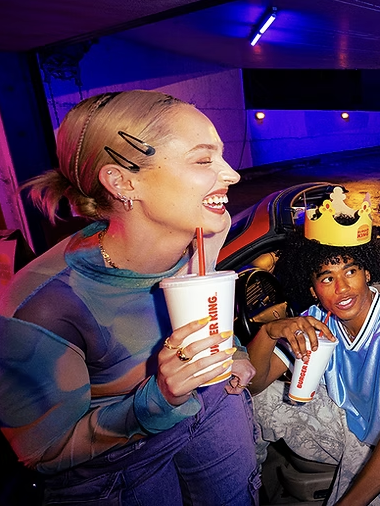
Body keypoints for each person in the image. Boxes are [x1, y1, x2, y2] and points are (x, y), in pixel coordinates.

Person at [0, 90, 259, 504]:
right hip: (115, 469)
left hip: (209, 406)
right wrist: (161, 398)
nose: (232, 174)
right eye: (203, 160)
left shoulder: (205, 232)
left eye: (222, 156)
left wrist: (233, 351)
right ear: (122, 181)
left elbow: (203, 310)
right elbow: (43, 452)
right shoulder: (41, 306)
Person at [247, 192, 380, 506]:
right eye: (327, 278)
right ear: (313, 290)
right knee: (244, 402)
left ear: (367, 272)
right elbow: (254, 385)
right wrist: (269, 331)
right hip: (341, 426)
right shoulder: (316, 319)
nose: (342, 288)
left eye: (350, 271)